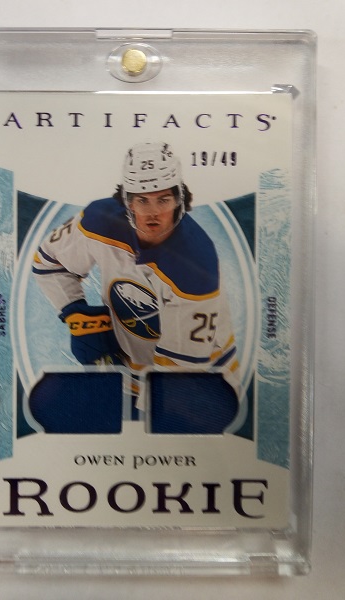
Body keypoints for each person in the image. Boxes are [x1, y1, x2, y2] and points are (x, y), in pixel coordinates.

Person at [31, 142, 240, 433]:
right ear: (127, 201)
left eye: (163, 200)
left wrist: (126, 417)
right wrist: (75, 312)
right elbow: (49, 263)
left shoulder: (196, 264)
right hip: (128, 374)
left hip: (203, 381)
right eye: (142, 200)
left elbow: (175, 379)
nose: (153, 213)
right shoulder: (98, 220)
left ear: (179, 199)